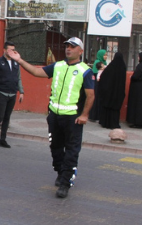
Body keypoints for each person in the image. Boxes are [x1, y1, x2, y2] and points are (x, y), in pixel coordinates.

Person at [8, 37, 95, 199]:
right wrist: (19, 60)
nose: (68, 49)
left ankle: (65, 183)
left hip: (72, 119)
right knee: (55, 148)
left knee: (71, 151)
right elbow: (36, 72)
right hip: (55, 116)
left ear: (80, 51)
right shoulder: (58, 66)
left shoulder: (85, 71)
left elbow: (91, 95)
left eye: (73, 47)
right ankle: (60, 172)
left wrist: (84, 115)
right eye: (67, 46)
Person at [0, 41, 24, 149]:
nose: (11, 52)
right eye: (9, 50)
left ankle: (2, 140)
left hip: (12, 93)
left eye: (13, 50)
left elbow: (18, 78)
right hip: (2, 93)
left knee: (7, 117)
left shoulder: (16, 63)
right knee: (0, 117)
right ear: (4, 50)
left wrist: (21, 92)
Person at [97, 52, 126, 129]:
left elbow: (103, 77)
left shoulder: (111, 66)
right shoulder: (123, 67)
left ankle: (105, 122)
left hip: (109, 92)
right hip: (118, 92)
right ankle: (114, 123)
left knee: (107, 107)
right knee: (115, 109)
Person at [89, 50, 107, 122]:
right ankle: (94, 116)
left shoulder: (104, 63)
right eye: (104, 55)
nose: (105, 56)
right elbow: (95, 73)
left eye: (106, 55)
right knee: (96, 99)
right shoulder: (97, 62)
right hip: (97, 84)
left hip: (102, 84)